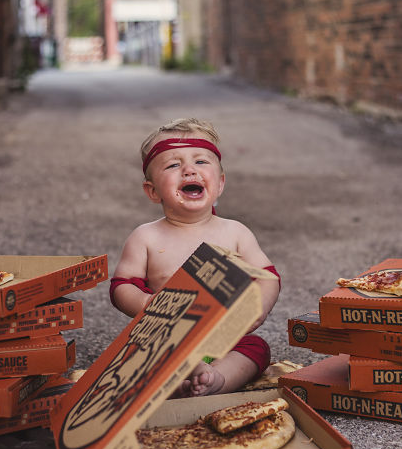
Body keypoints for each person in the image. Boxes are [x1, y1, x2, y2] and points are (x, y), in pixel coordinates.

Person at [110, 118, 281, 397]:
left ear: (220, 183)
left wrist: (259, 307)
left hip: (225, 338)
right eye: (173, 165)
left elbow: (267, 276)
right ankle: (177, 381)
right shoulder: (146, 237)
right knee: (135, 355)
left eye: (201, 162)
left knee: (255, 348)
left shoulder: (235, 232)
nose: (189, 169)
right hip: (167, 338)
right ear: (153, 191)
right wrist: (146, 303)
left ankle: (215, 378)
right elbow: (121, 286)